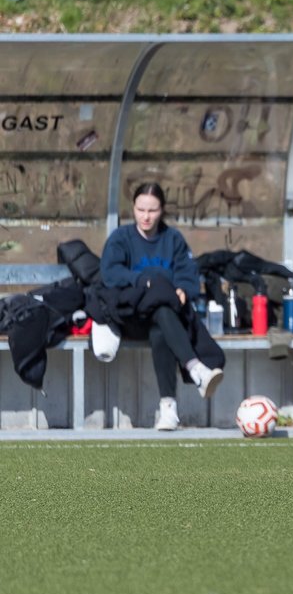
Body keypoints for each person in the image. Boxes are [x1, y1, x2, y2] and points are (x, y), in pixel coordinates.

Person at [100, 183, 224, 430]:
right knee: (160, 299)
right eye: (141, 209)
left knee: (162, 323)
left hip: (163, 319)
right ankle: (196, 368)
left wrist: (183, 290)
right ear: (133, 209)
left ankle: (168, 412)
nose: (146, 216)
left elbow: (188, 274)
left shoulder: (173, 238)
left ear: (162, 210)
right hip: (131, 317)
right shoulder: (120, 238)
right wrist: (142, 281)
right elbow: (110, 273)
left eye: (152, 210)